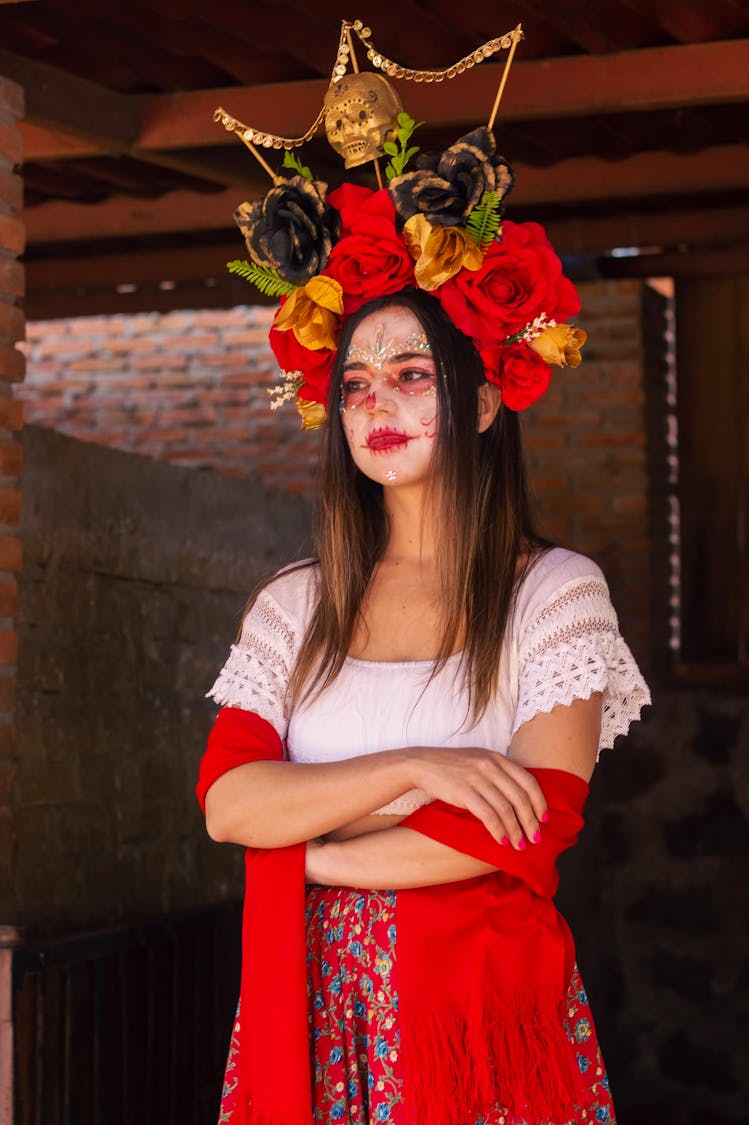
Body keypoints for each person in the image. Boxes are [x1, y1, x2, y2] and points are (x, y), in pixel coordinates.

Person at [196, 113, 650, 1125]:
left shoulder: (553, 593)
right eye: (355, 384)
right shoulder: (293, 603)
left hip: (477, 1014)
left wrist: (304, 848)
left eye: (411, 375)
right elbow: (229, 802)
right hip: (309, 1010)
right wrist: (416, 771)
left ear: (485, 402)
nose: (377, 405)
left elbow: (528, 830)